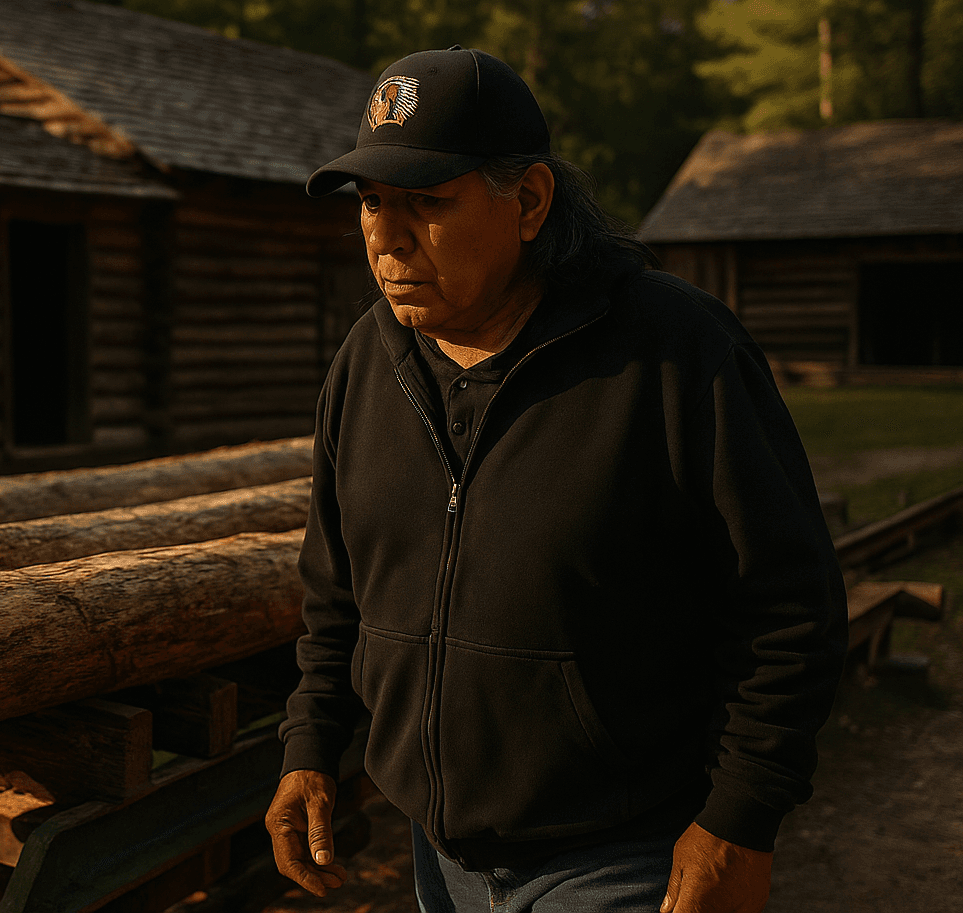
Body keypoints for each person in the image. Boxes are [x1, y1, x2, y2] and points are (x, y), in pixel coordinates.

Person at [265, 46, 847, 913]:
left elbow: (787, 605)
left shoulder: (675, 354)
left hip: (623, 860)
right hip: (438, 862)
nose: (386, 235)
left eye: (427, 202)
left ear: (529, 201)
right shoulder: (364, 364)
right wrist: (310, 743)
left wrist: (740, 817)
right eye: (374, 202)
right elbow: (337, 589)